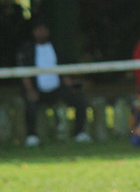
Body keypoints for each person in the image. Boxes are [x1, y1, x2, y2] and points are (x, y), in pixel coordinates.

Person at [16, 16, 91, 147]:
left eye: (44, 29)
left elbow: (62, 69)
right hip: (37, 90)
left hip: (57, 88)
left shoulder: (55, 47)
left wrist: (69, 84)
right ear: (33, 32)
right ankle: (32, 136)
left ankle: (79, 133)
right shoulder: (27, 49)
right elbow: (24, 72)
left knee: (80, 99)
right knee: (30, 103)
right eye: (39, 30)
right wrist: (30, 90)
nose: (42, 32)